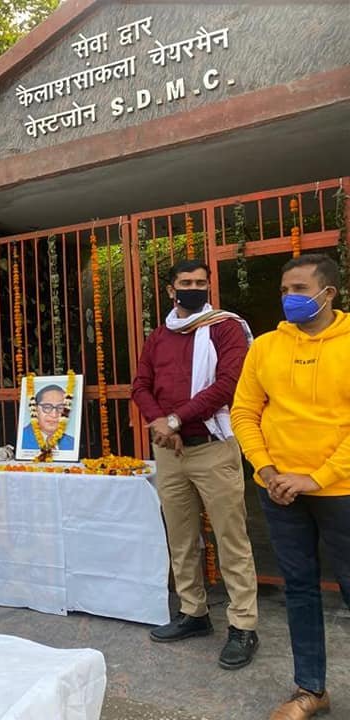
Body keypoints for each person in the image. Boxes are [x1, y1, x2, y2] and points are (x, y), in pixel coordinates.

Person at [230, 254, 349, 720]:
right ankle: (310, 689)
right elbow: (244, 412)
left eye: (299, 289)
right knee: (299, 589)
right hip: (279, 489)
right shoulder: (265, 347)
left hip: (340, 490)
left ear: (329, 293)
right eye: (284, 290)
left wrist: (317, 477)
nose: (289, 298)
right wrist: (266, 470)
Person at [131, 258, 259, 669]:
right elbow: (141, 384)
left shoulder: (225, 327)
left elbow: (228, 383)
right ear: (171, 290)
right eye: (186, 282)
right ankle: (194, 613)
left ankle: (243, 625)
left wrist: (175, 419)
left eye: (201, 282)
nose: (194, 288)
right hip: (169, 452)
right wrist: (159, 422)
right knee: (181, 537)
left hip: (212, 447)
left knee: (231, 537)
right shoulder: (160, 335)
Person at [21, 384, 75, 452]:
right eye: (47, 407)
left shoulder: (72, 442)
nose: (54, 414)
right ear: (35, 408)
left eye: (60, 408)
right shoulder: (20, 439)